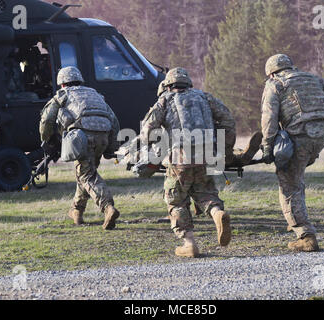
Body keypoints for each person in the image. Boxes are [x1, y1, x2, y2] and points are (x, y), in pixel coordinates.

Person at [139, 67, 233, 258]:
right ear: (188, 82)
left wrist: (157, 142)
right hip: (207, 155)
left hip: (179, 157)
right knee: (205, 192)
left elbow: (147, 131)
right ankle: (217, 214)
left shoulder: (165, 99)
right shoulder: (205, 97)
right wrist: (225, 147)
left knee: (176, 200)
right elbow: (227, 119)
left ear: (168, 85)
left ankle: (189, 244)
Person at [260, 54, 324, 252]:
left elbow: (269, 118)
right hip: (321, 134)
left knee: (288, 183)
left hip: (300, 134)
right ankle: (296, 216)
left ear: (271, 72)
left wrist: (266, 146)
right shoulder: (312, 78)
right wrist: (318, 111)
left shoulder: (275, 84)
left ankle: (305, 235)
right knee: (296, 178)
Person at [39, 66, 121, 229]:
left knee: (86, 176)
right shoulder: (95, 94)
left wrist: (46, 139)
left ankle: (107, 207)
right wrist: (111, 147)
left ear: (62, 83)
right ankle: (76, 211)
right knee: (85, 172)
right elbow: (115, 122)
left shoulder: (62, 95)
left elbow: (47, 120)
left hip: (82, 138)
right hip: (103, 136)